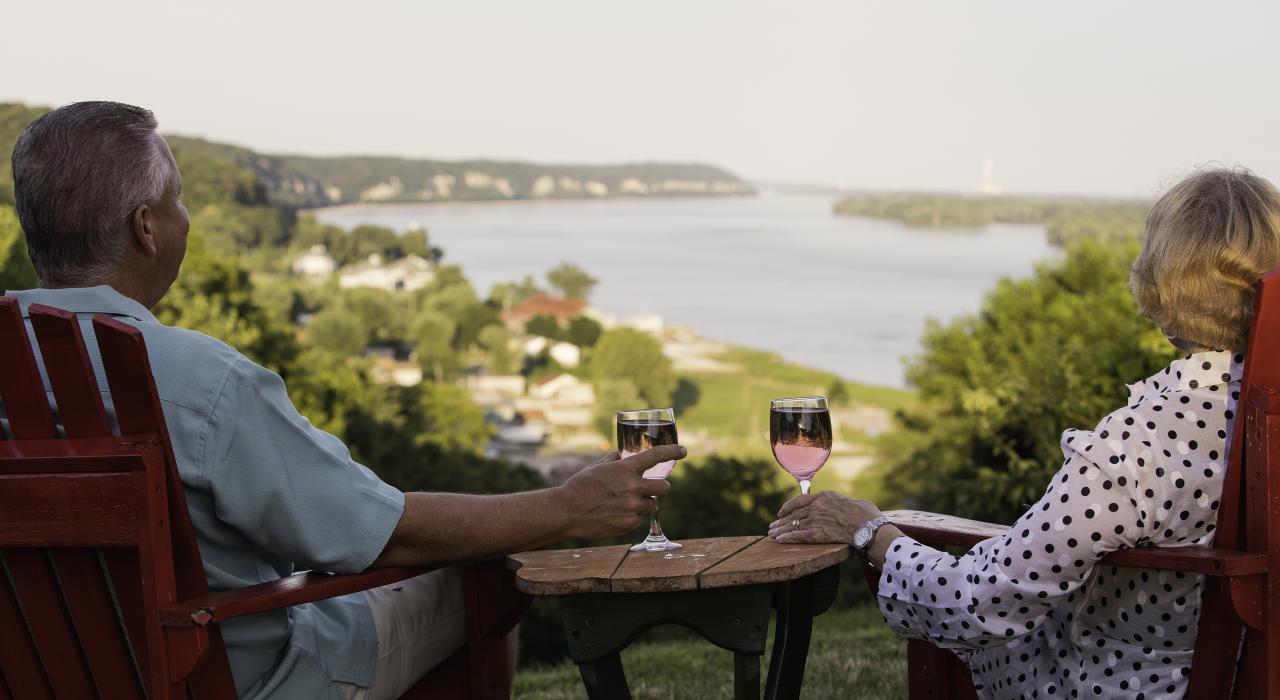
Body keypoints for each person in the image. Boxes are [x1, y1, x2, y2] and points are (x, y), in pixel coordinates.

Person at [7, 101, 684, 700]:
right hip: (231, 678)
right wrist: (567, 506)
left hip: (42, 673)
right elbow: (377, 532)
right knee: (483, 577)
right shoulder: (198, 379)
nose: (187, 217)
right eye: (178, 199)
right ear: (146, 228)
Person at [768, 168, 1280, 698]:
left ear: (1163, 279)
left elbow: (981, 601)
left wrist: (870, 531)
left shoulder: (1141, 444)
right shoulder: (1263, 418)